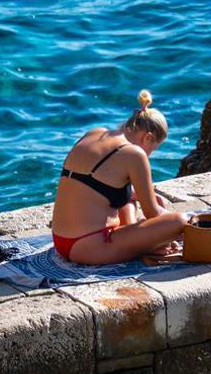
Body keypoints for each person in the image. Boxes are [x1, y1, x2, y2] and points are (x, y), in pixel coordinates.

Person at [50, 90, 186, 264]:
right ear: (148, 137)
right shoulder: (134, 154)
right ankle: (149, 244)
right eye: (153, 148)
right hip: (92, 247)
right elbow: (153, 213)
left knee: (129, 199)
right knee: (178, 221)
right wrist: (184, 223)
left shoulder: (95, 133)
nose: (150, 154)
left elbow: (95, 187)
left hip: (62, 242)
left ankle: (142, 241)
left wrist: (139, 196)